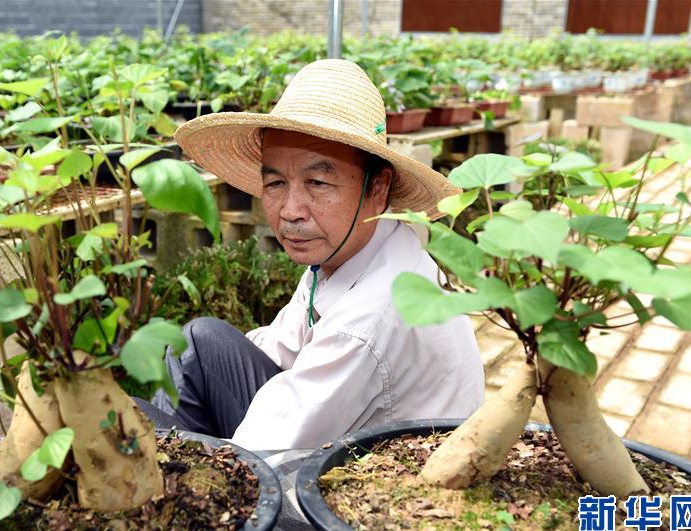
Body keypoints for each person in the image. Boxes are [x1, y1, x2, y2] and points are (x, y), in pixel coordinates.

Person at [139, 59, 484, 450]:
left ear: (378, 188)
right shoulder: (357, 246)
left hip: (361, 490)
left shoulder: (367, 320)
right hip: (339, 433)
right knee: (196, 343)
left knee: (132, 426)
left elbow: (256, 462)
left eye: (318, 182)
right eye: (275, 183)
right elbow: (282, 344)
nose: (290, 210)